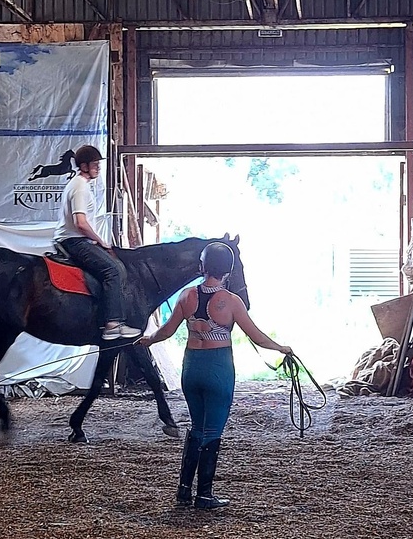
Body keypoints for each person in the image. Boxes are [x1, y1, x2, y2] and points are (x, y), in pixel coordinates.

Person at [137, 242, 292, 511]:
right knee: (213, 429)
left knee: (196, 426)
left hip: (191, 368)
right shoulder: (232, 302)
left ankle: (184, 491)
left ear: (202, 266)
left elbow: (167, 331)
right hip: (218, 368)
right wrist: (281, 348)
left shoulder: (186, 297)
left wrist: (148, 340)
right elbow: (255, 336)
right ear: (228, 271)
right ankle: (205, 494)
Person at [52, 145, 140, 342]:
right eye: (95, 164)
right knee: (113, 270)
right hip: (74, 240)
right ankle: (113, 324)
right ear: (84, 166)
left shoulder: (79, 184)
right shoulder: (80, 187)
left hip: (74, 238)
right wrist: (101, 241)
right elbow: (80, 223)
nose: (99, 168)